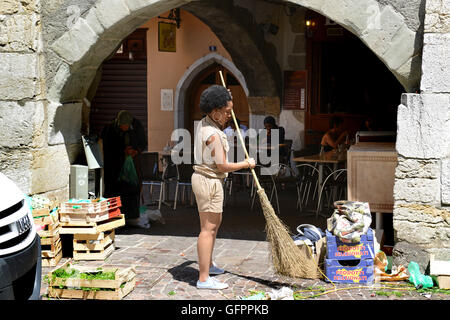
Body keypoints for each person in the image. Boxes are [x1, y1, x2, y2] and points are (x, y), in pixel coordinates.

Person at [192, 85, 256, 290]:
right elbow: (222, 165)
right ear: (215, 111)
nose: (230, 115)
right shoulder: (214, 134)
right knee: (208, 229)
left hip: (205, 180)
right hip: (209, 182)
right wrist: (247, 164)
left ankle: (208, 265)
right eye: (227, 111)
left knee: (211, 227)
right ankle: (203, 279)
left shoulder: (204, 123)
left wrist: (223, 94)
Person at [100, 110, 148, 228]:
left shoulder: (136, 126)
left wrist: (135, 151)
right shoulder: (110, 129)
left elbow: (143, 142)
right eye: (122, 126)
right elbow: (108, 148)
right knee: (115, 191)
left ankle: (131, 216)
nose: (124, 128)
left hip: (133, 163)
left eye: (126, 126)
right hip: (115, 168)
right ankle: (115, 217)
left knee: (132, 188)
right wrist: (122, 152)